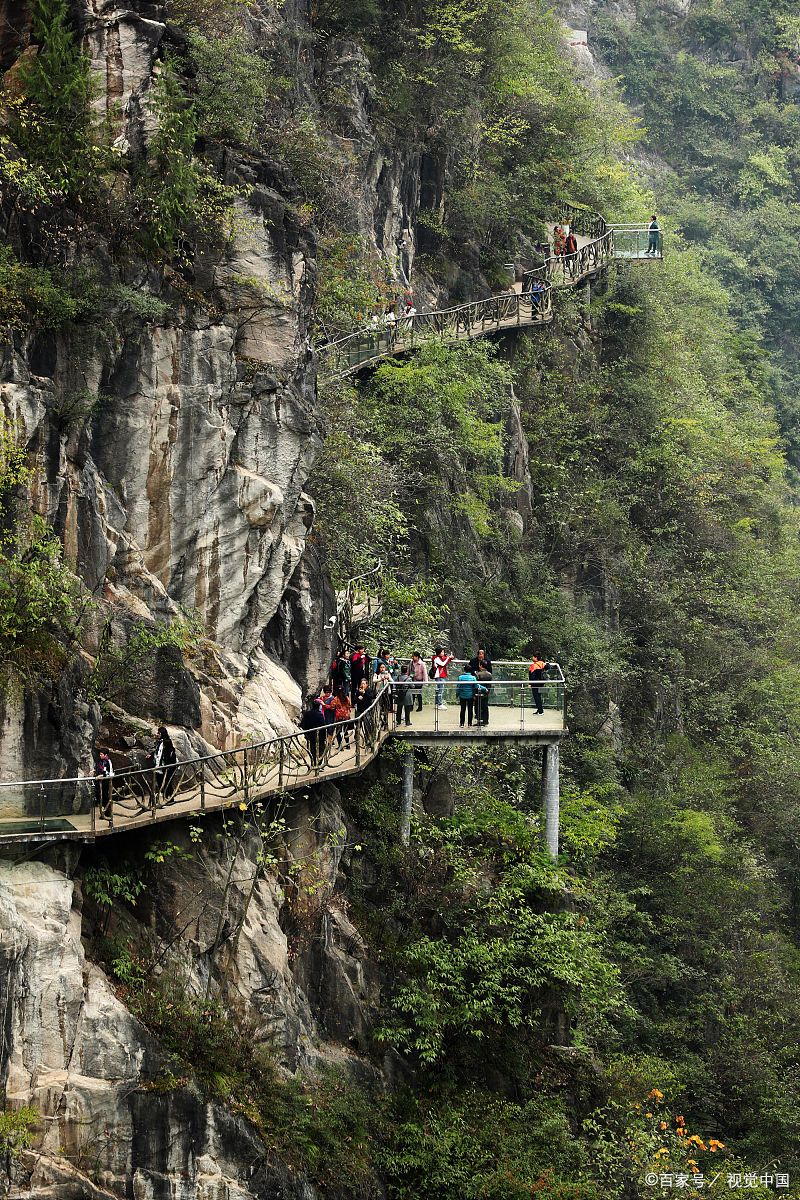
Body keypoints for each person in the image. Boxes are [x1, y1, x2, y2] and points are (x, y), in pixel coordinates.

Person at [151, 726, 178, 803]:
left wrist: (168, 765)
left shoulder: (167, 742)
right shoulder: (159, 742)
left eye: (159, 733)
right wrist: (151, 755)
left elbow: (168, 752)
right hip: (159, 766)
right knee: (160, 782)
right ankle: (165, 797)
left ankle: (170, 798)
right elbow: (158, 752)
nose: (157, 734)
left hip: (166, 766)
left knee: (167, 782)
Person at [300, 697, 327, 767]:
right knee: (321, 749)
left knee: (313, 750)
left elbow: (302, 724)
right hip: (319, 736)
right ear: (318, 706)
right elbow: (323, 726)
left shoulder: (307, 714)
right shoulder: (320, 715)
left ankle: (314, 763)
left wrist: (306, 732)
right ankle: (318, 764)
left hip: (310, 735)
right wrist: (325, 736)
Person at [94, 750, 114, 820]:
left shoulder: (108, 761)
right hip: (99, 781)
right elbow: (98, 769)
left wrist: (102, 775)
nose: (100, 756)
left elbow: (110, 772)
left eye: (102, 754)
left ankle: (107, 813)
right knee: (99, 795)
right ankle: (103, 811)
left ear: (105, 755)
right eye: (100, 754)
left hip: (106, 781)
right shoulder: (100, 761)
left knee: (105, 796)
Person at [474, 662, 493, 726]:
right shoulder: (489, 674)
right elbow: (490, 685)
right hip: (486, 693)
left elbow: (476, 685)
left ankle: (479, 720)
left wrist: (474, 694)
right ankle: (486, 720)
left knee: (478, 706)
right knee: (485, 707)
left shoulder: (478, 674)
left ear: (481, 666)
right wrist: (488, 691)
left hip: (479, 693)